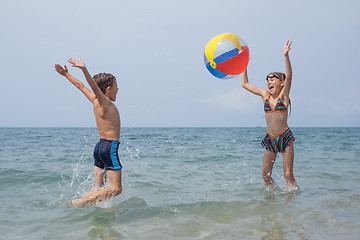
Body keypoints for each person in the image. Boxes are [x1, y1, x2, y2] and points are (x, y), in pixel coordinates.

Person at [54, 58, 122, 206]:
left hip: (99, 148)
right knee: (116, 189)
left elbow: (80, 86)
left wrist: (66, 74)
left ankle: (78, 204)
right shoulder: (104, 101)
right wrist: (84, 69)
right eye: (116, 87)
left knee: (98, 187)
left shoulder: (95, 100)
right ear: (108, 89)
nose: (118, 89)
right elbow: (90, 85)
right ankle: (80, 202)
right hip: (109, 148)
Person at [242, 40, 297, 190]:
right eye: (267, 81)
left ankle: (291, 199)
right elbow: (245, 84)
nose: (269, 82)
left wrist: (286, 56)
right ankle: (271, 199)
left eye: (272, 80)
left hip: (285, 137)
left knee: (287, 174)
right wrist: (244, 65)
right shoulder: (265, 95)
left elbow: (290, 76)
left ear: (282, 83)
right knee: (265, 174)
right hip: (270, 139)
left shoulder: (283, 97)